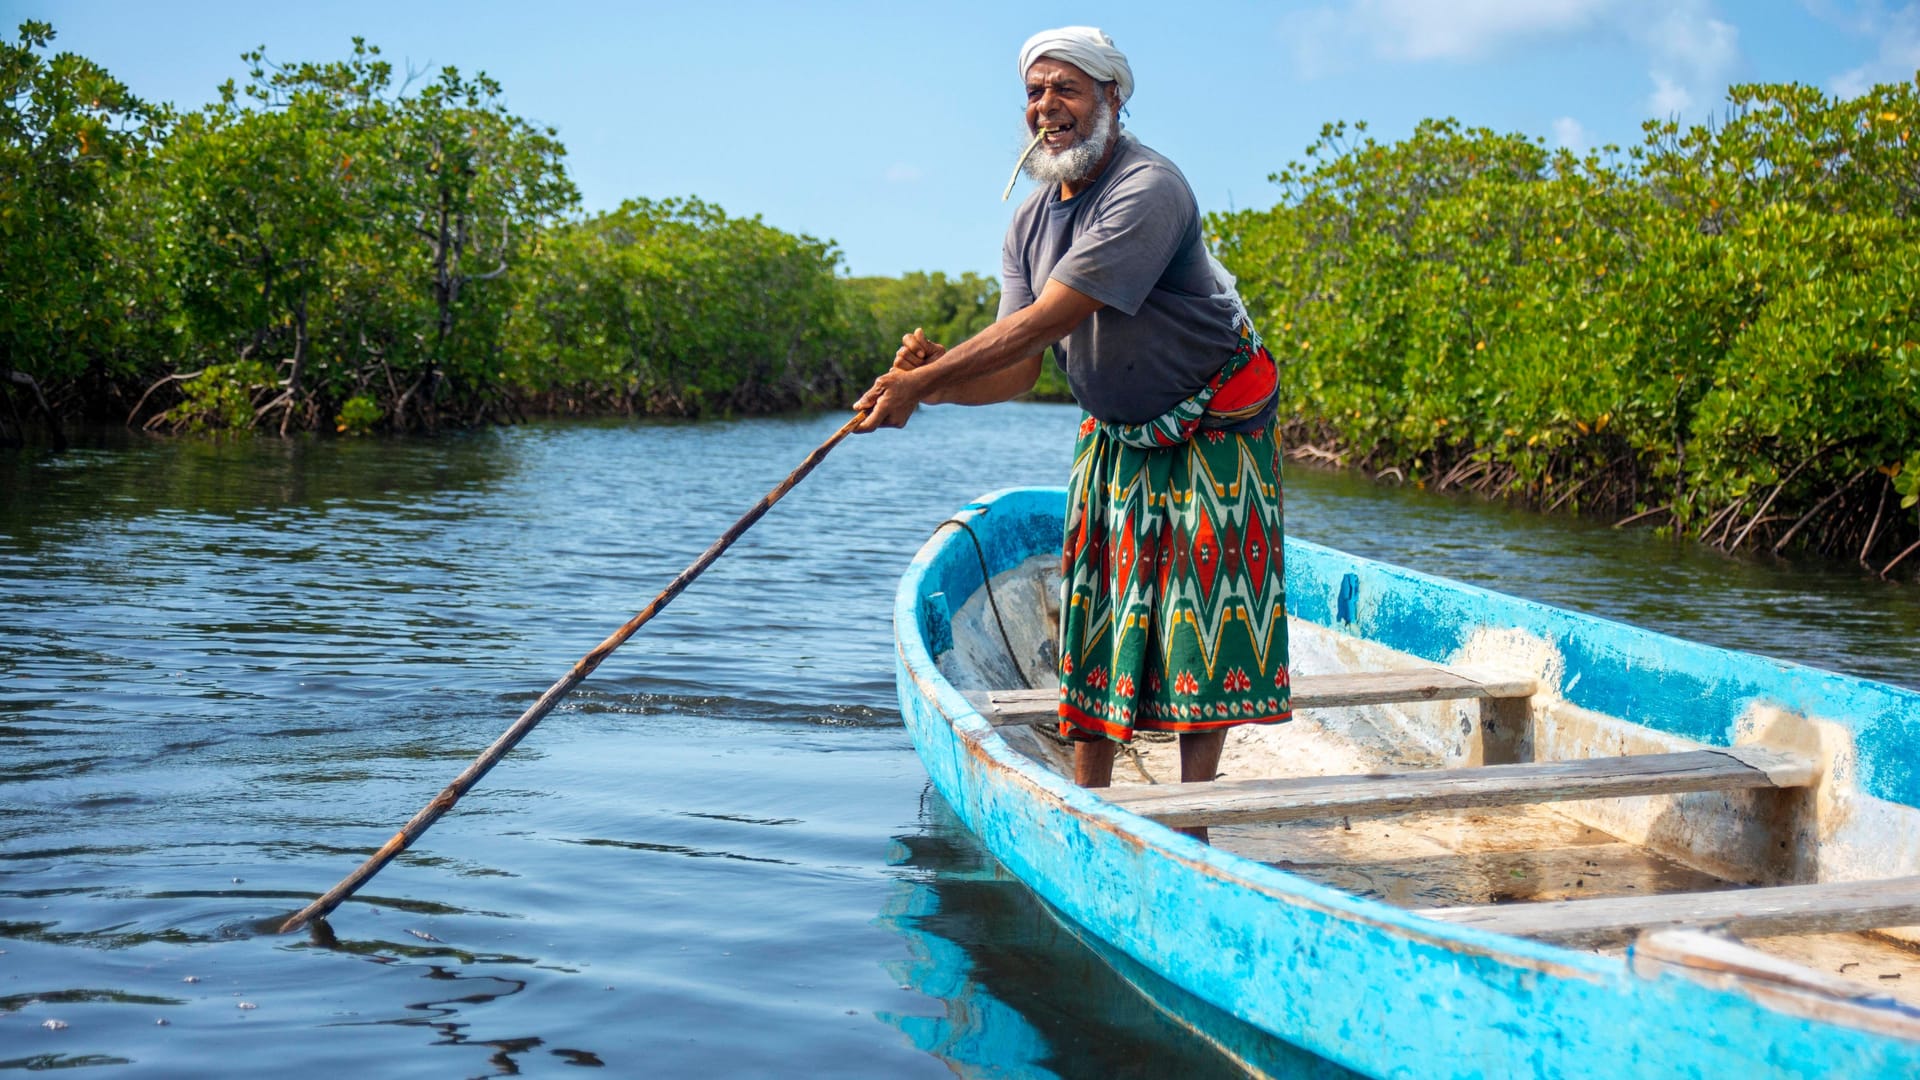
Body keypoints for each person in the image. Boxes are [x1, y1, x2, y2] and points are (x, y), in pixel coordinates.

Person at [856, 27, 1291, 829]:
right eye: (1034, 93)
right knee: (1096, 607)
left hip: (1215, 423)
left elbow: (1049, 318)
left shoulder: (1148, 187)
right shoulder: (1027, 220)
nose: (1046, 108)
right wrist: (934, 387)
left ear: (1111, 99)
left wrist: (924, 377)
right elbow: (1017, 368)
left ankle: (1192, 817)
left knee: (1201, 614)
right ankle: (1091, 805)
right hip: (1116, 430)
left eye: (1066, 90)